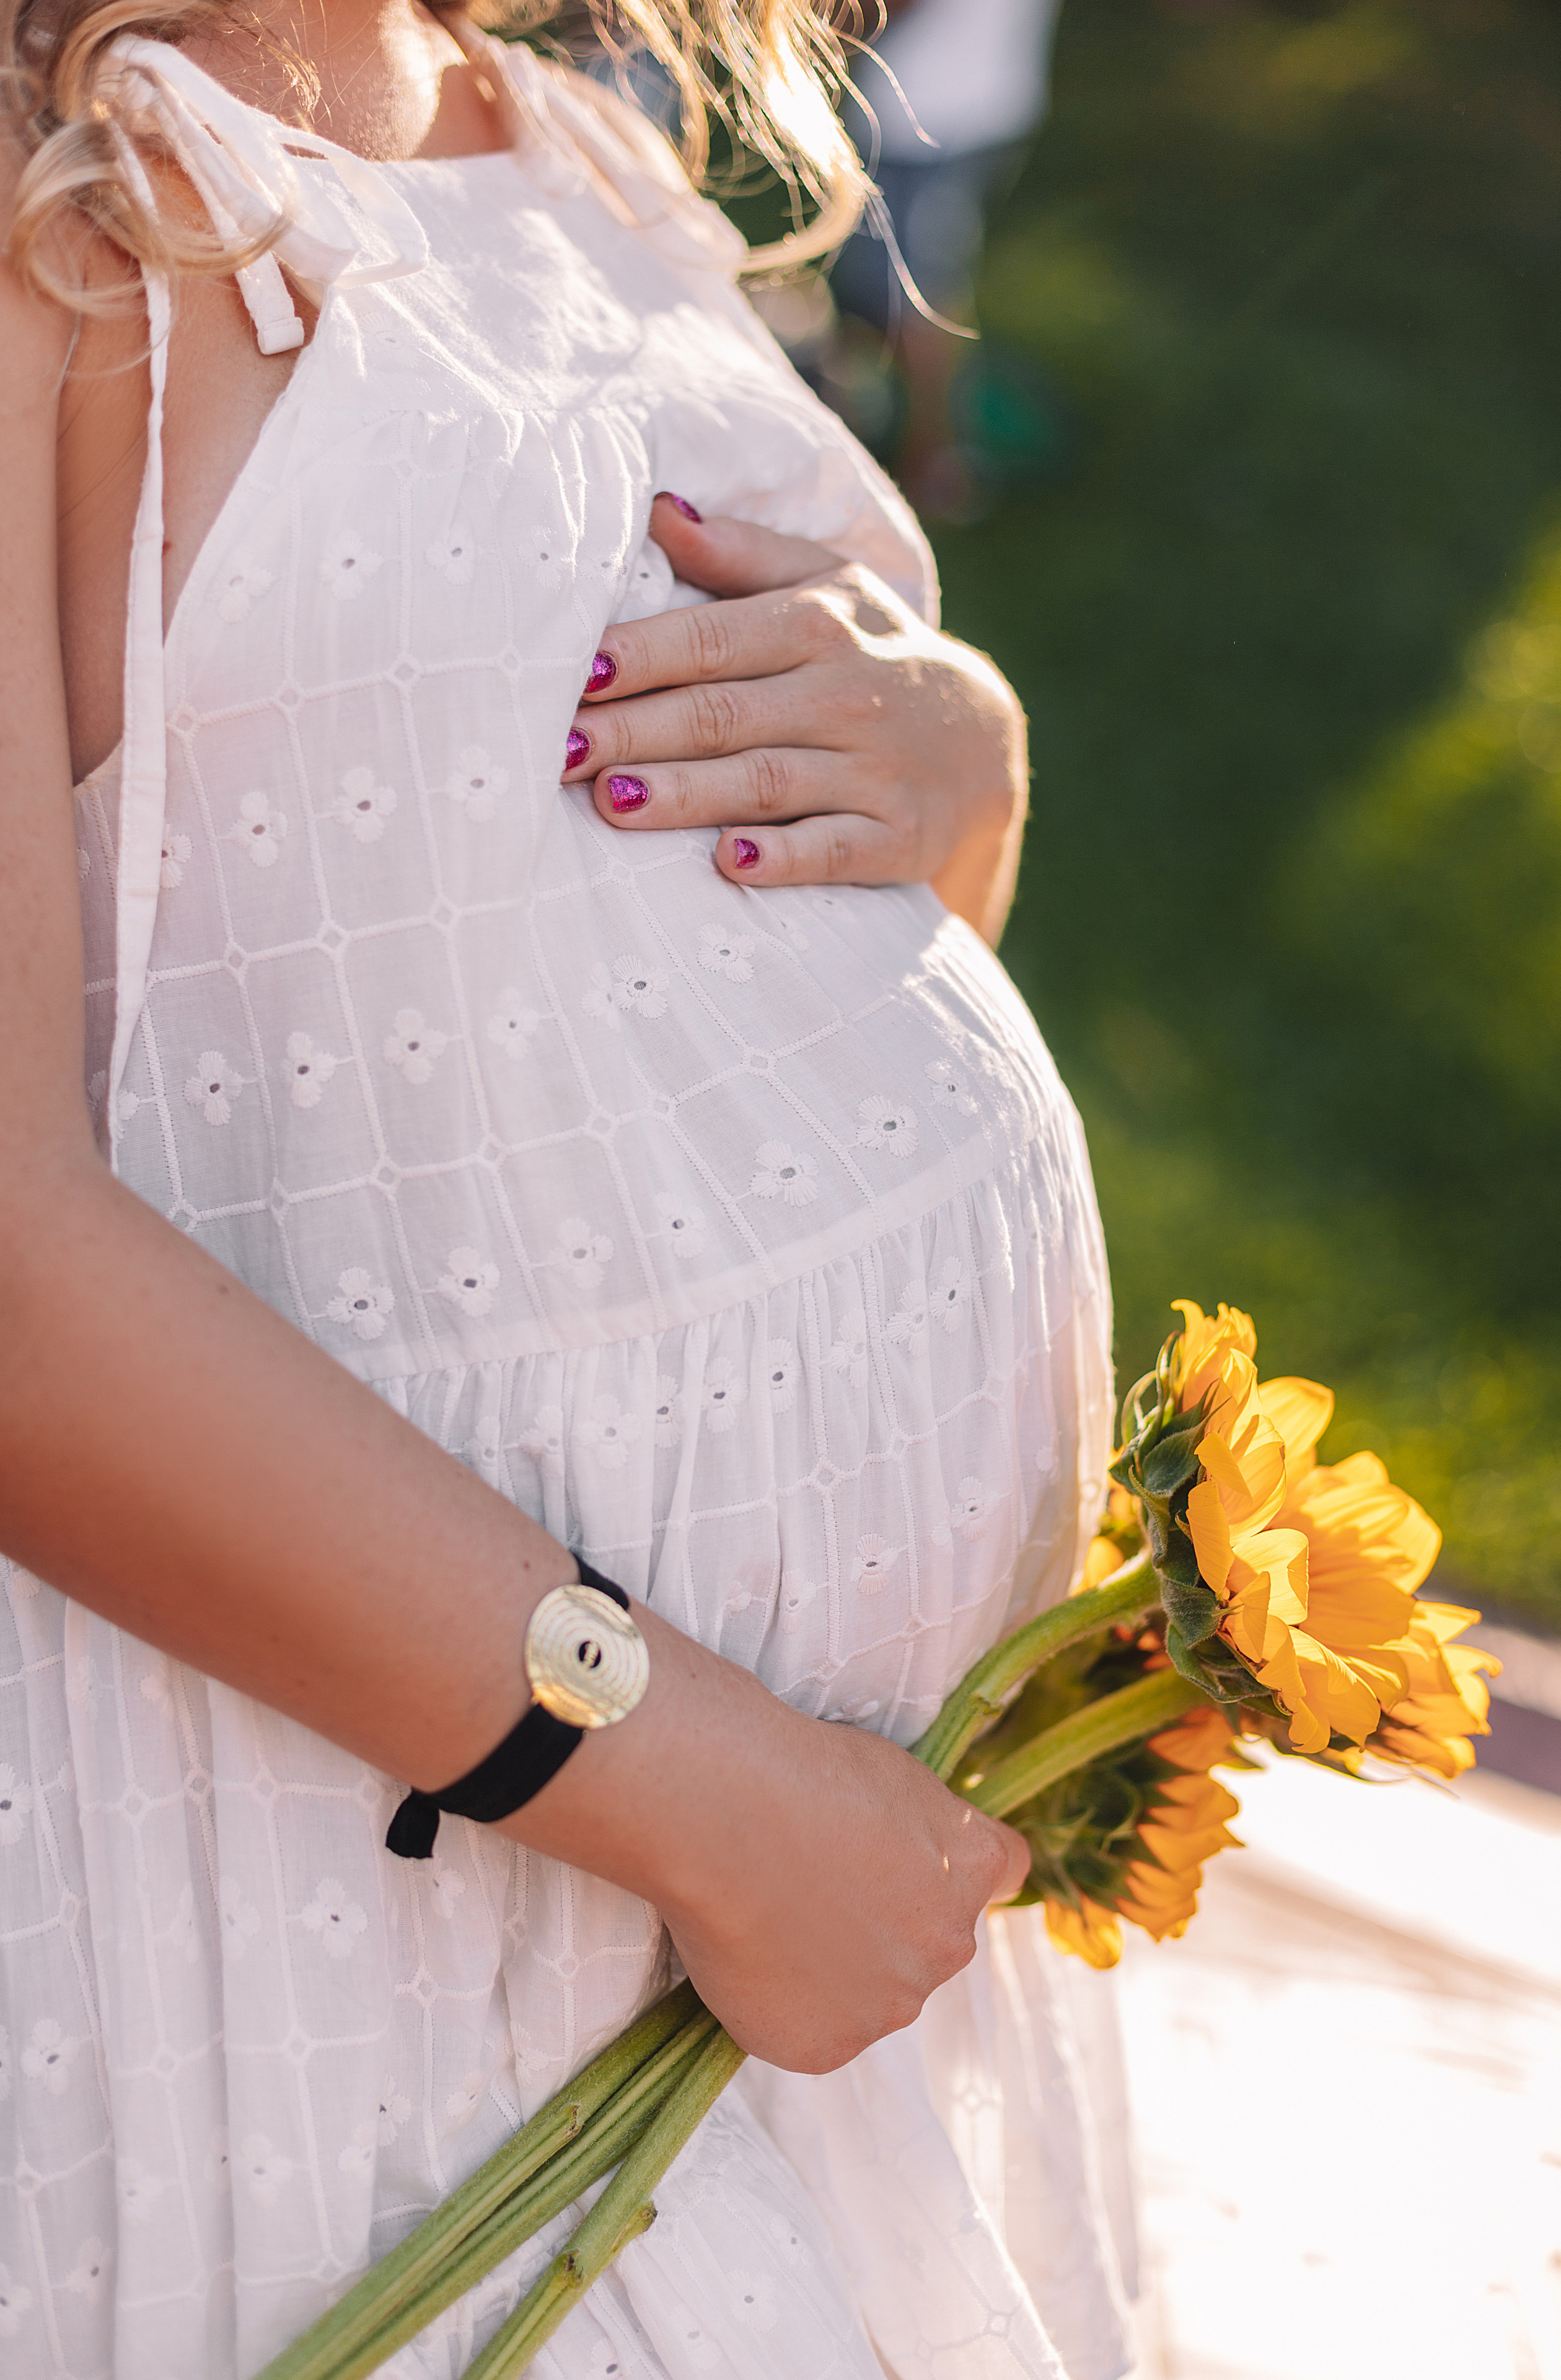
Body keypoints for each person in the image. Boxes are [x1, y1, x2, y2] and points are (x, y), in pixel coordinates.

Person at [0, 2, 1131, 2374]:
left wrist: (964, 765)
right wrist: (702, 1797)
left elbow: (666, 949)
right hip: (356, 1902)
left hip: (779, 1913)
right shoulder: (50, 218)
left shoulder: (566, 144)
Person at [830, 0, 1064, 516]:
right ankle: (873, 433)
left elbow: (877, 11)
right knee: (904, 284)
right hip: (992, 102)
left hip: (921, 116)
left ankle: (933, 464)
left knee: (911, 294)